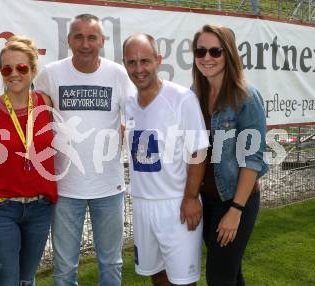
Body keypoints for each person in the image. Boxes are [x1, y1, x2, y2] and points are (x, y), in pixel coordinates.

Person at [0, 14, 134, 286]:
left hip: (105, 188)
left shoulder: (116, 74)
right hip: (64, 189)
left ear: (102, 41)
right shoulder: (51, 76)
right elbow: (19, 106)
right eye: (78, 37)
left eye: (92, 37)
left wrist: (125, 128)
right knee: (64, 269)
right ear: (68, 40)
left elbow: (136, 112)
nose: (85, 44)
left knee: (111, 264)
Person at [0, 35, 57, 286]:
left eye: (22, 67)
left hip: (39, 209)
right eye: (7, 68)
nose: (14, 73)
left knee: (27, 280)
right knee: (7, 281)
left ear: (33, 70)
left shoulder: (46, 104)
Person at [123, 34, 209, 286]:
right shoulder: (128, 103)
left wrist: (191, 197)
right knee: (157, 275)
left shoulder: (181, 98)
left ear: (158, 60)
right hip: (142, 204)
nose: (139, 69)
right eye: (131, 62)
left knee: (183, 280)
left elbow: (198, 151)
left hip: (176, 205)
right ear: (124, 64)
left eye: (145, 61)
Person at [191, 24, 268, 286]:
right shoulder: (194, 94)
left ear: (230, 54)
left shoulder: (246, 97)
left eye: (215, 51)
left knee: (219, 278)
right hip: (206, 200)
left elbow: (252, 160)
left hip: (235, 201)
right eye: (201, 51)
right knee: (231, 274)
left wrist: (235, 210)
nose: (207, 58)